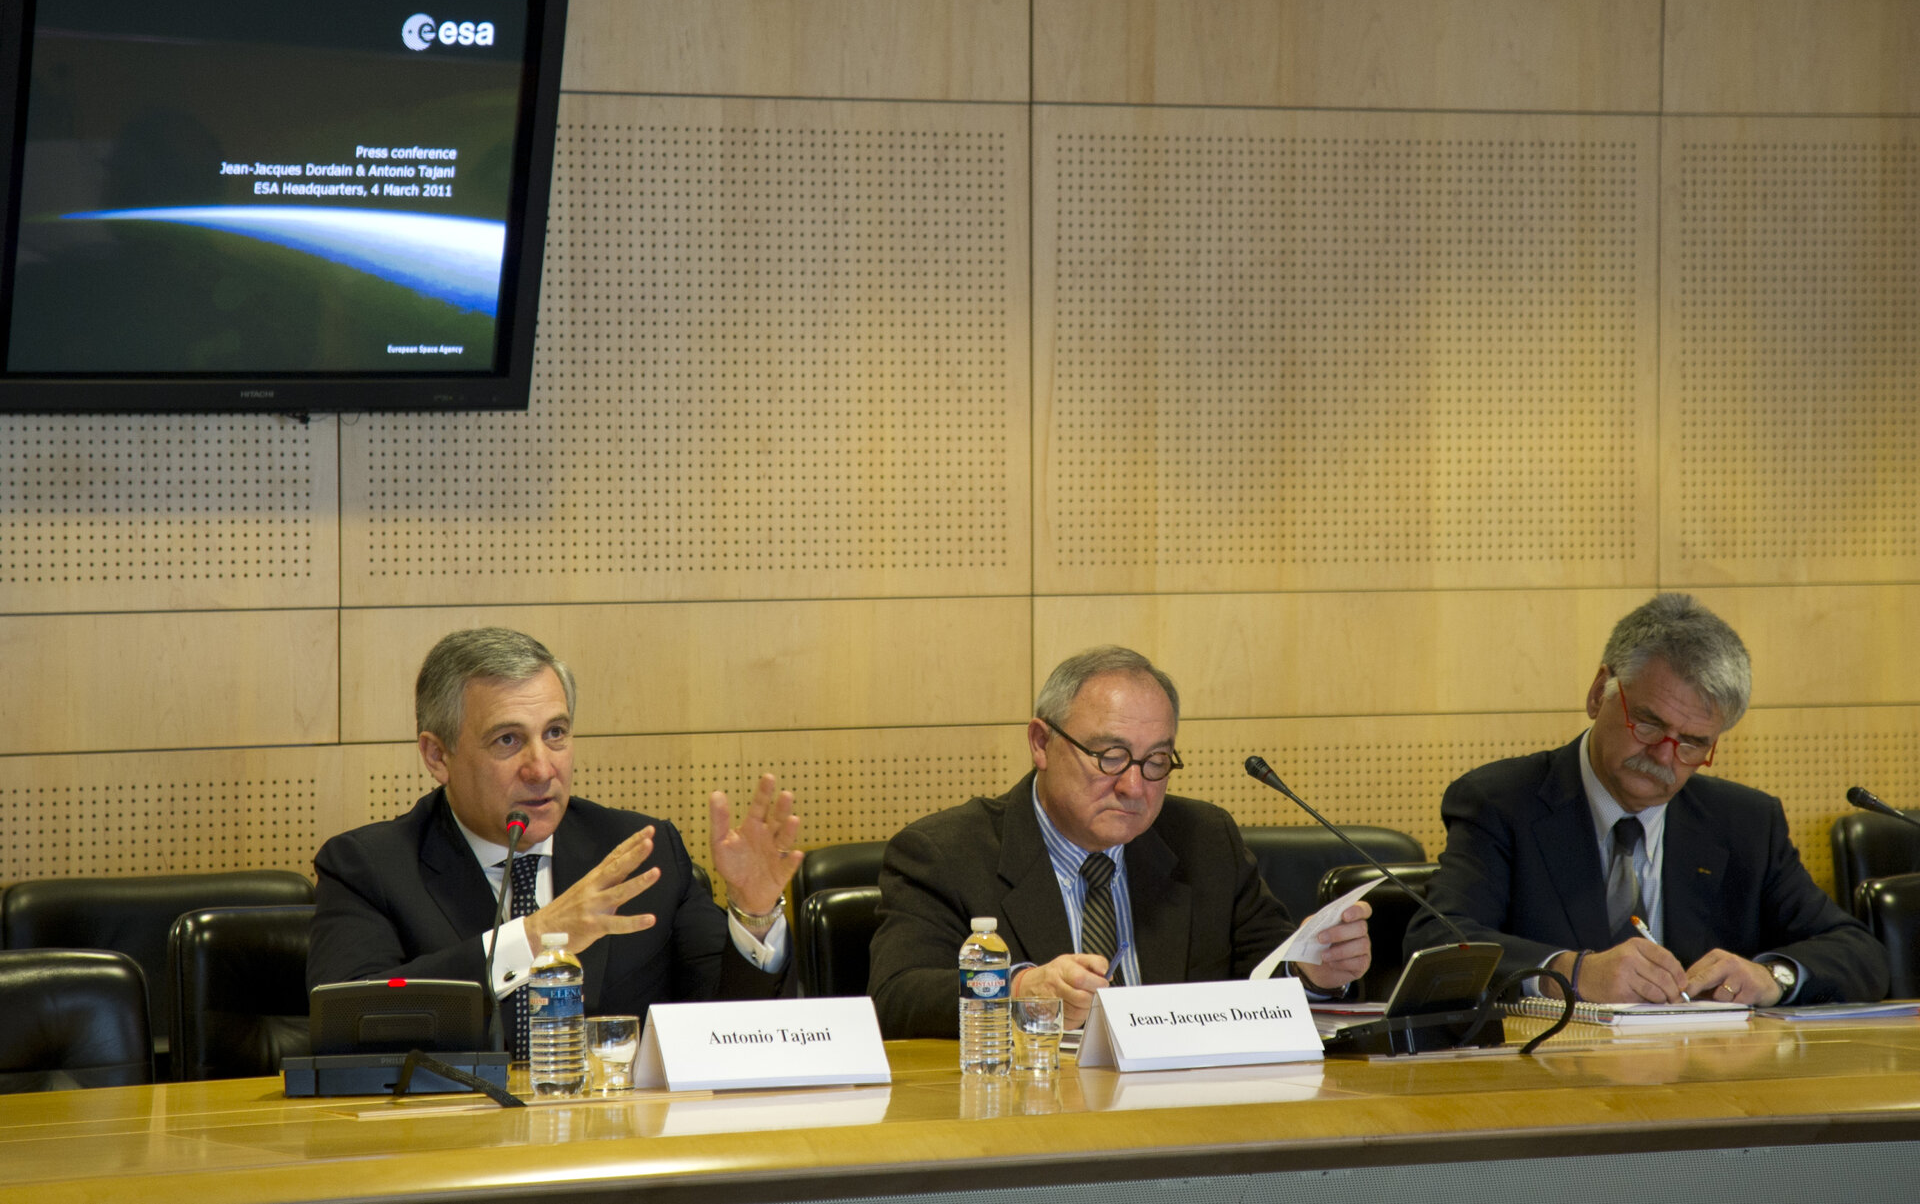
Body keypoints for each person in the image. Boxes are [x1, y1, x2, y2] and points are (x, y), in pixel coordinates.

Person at [308, 628, 801, 1053]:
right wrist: (532, 938)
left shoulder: (639, 852)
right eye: (507, 740)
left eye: (556, 733)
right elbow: (348, 1021)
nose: (542, 769)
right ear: (438, 756)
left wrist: (753, 916)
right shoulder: (369, 867)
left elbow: (727, 1026)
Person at [1406, 593, 1887, 1006]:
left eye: (1692, 742)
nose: (1663, 754)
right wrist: (1570, 973)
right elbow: (1437, 939)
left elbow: (1860, 952)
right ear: (1599, 692)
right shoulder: (1500, 803)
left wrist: (1772, 976)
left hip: (1704, 1073)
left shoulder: (1745, 823)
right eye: (1649, 723)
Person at [868, 645, 1371, 1038]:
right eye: (1110, 756)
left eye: (1156, 761)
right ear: (1041, 743)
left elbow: (1263, 975)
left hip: (1185, 1111)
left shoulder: (1204, 841)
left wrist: (1313, 970)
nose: (1134, 786)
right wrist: (1019, 988)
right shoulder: (944, 853)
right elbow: (896, 997)